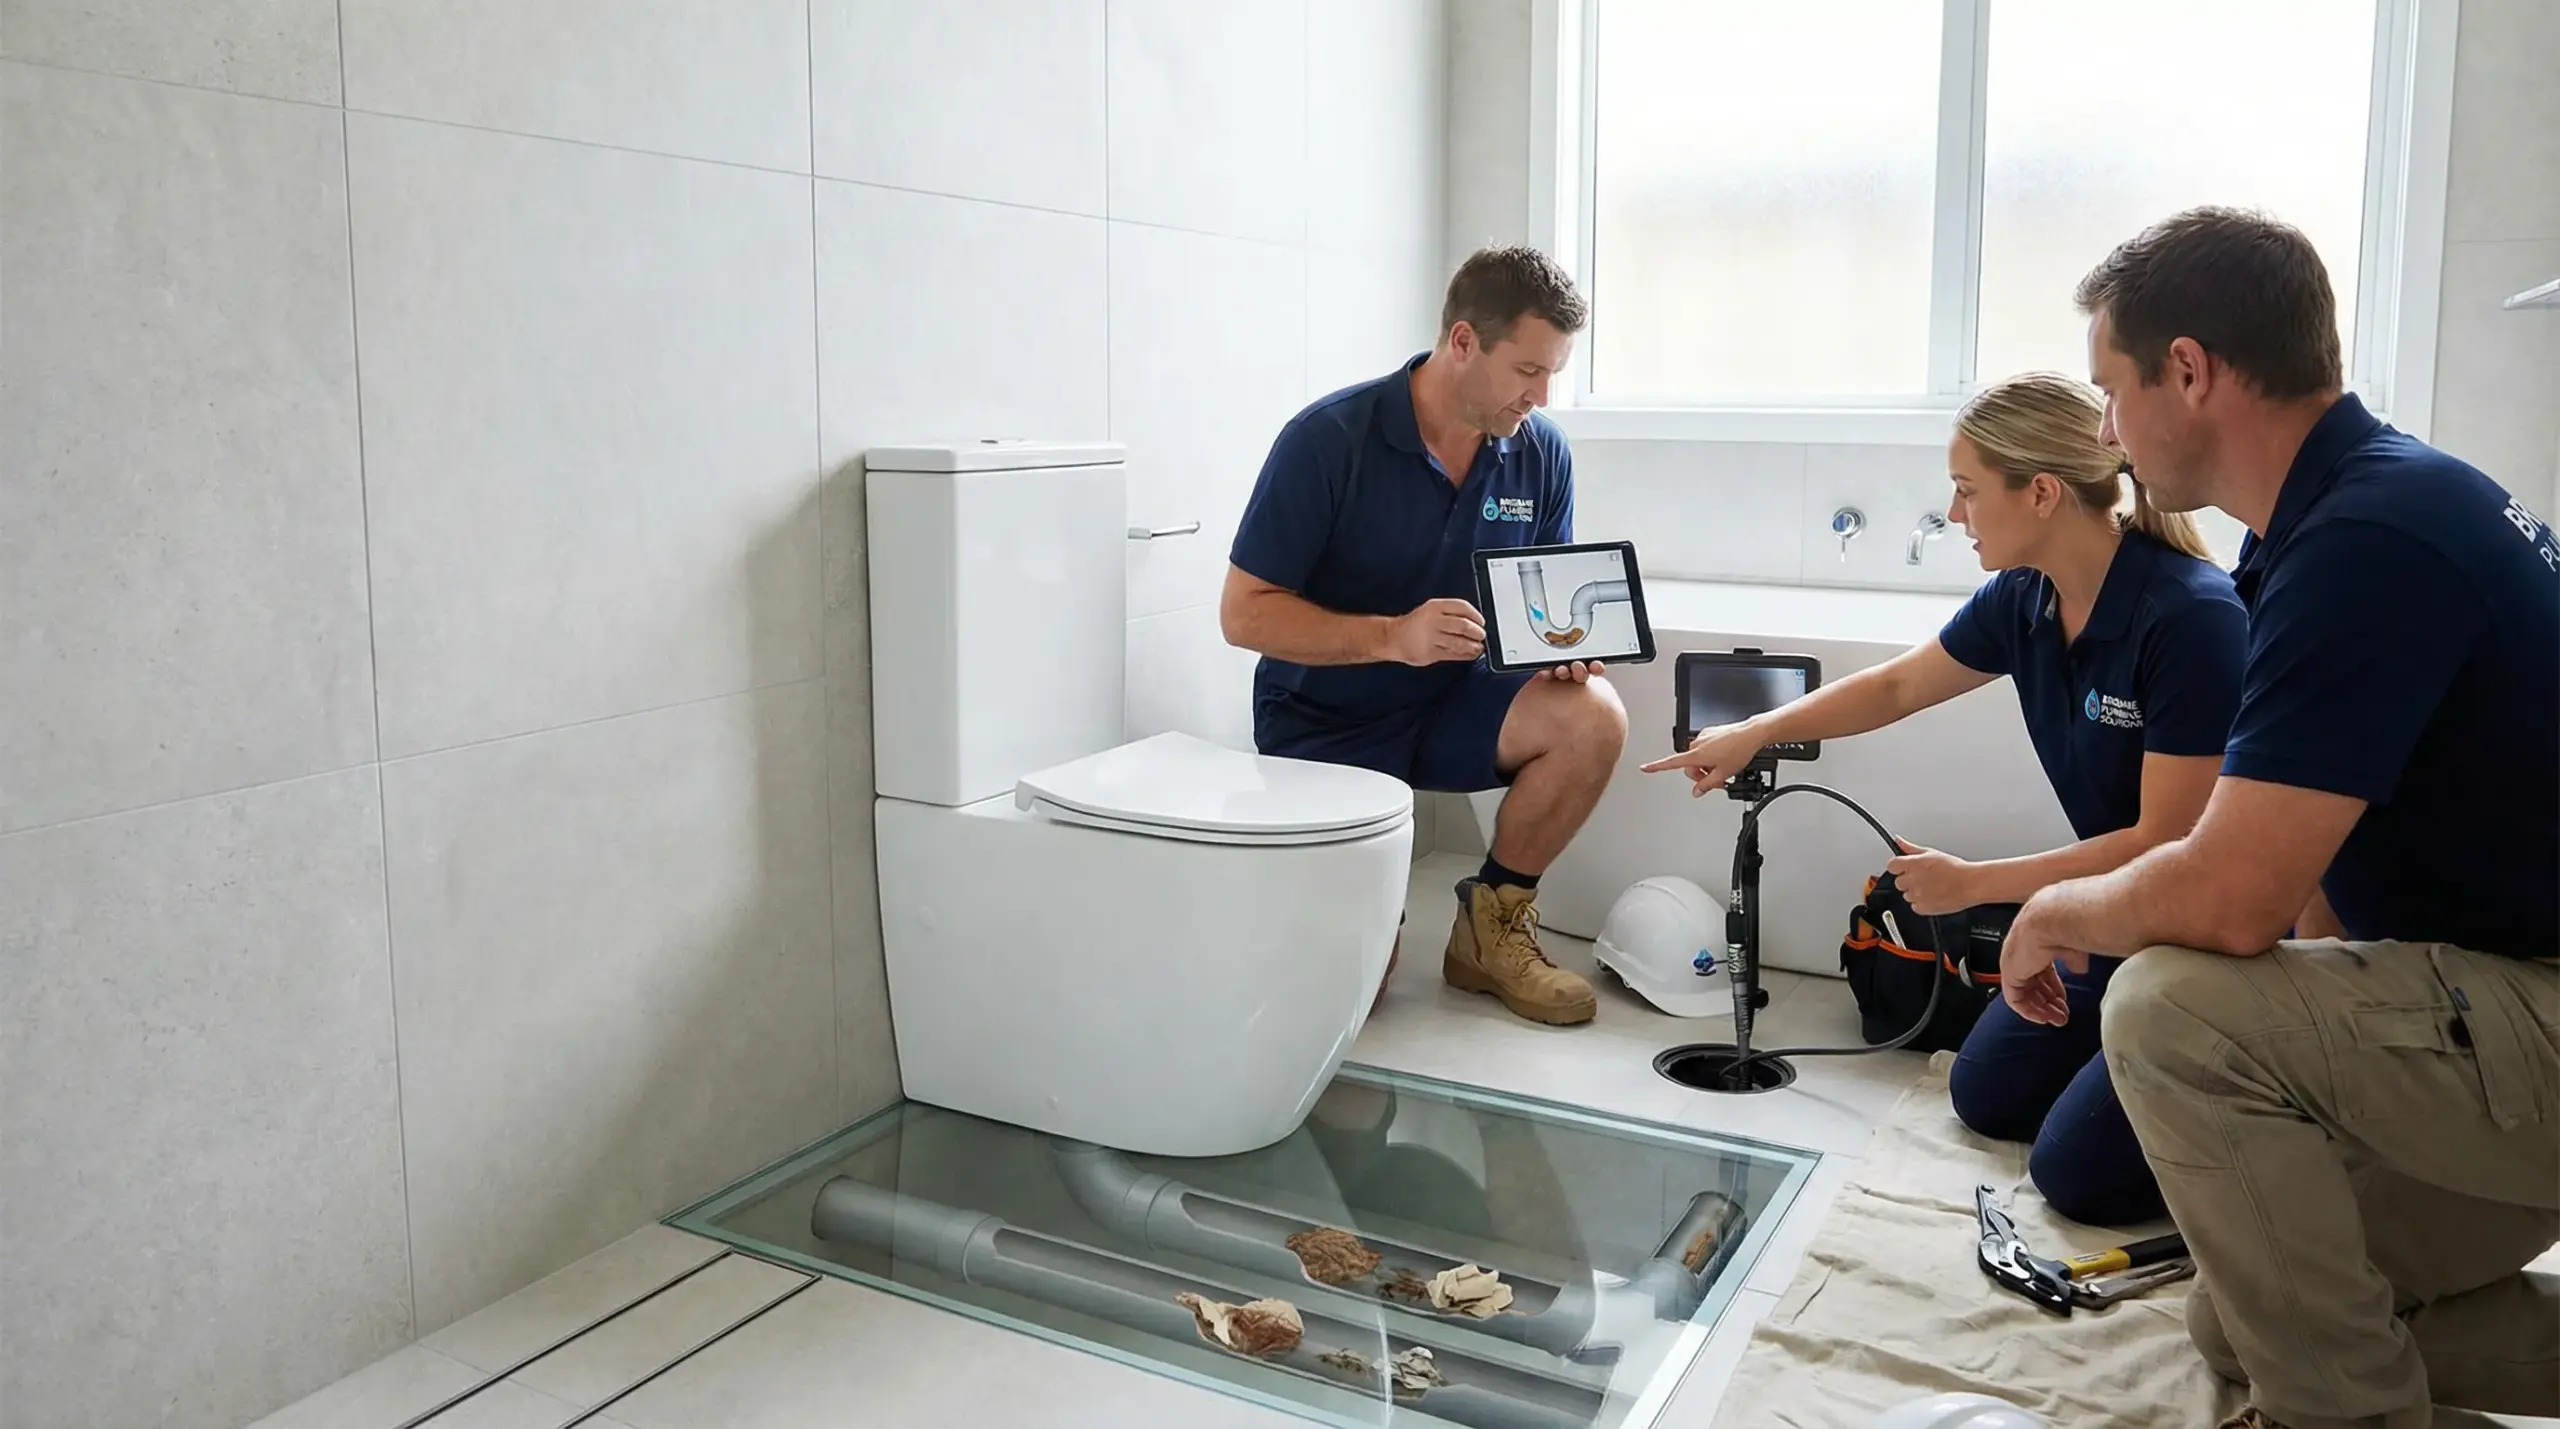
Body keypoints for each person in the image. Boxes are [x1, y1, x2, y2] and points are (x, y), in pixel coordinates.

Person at [1996, 207, 2559, 1429]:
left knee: (2163, 1009)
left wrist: (2044, 908)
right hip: (2496, 997)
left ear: (2188, 372)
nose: (2104, 434)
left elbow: (2230, 899)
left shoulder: (2364, 542)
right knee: (2239, 1316)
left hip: (2539, 1028)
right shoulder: (2346, 518)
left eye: (2110, 390)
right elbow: (2304, 873)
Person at [1641, 370, 2248, 1227]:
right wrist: (1755, 731)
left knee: (2072, 1177)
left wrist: (1978, 884)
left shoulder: (2191, 618)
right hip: (2113, 924)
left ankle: (2251, 1108)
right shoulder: (2027, 598)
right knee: (1983, 1091)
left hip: (2202, 945)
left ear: (2041, 493)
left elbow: (2169, 842)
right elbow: (1894, 688)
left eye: (1966, 491)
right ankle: (2126, 1085)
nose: (1955, 514)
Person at [1222, 247, 1627, 1027]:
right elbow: (1243, 614)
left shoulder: (1539, 453)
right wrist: (1390, 636)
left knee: (1595, 714)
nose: (1540, 397)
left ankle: (1491, 927)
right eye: (1527, 371)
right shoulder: (1327, 440)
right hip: (1324, 719)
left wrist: (1561, 647)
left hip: (1455, 702)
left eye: (1554, 374)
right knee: (1354, 998)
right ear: (1464, 341)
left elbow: (1536, 603)